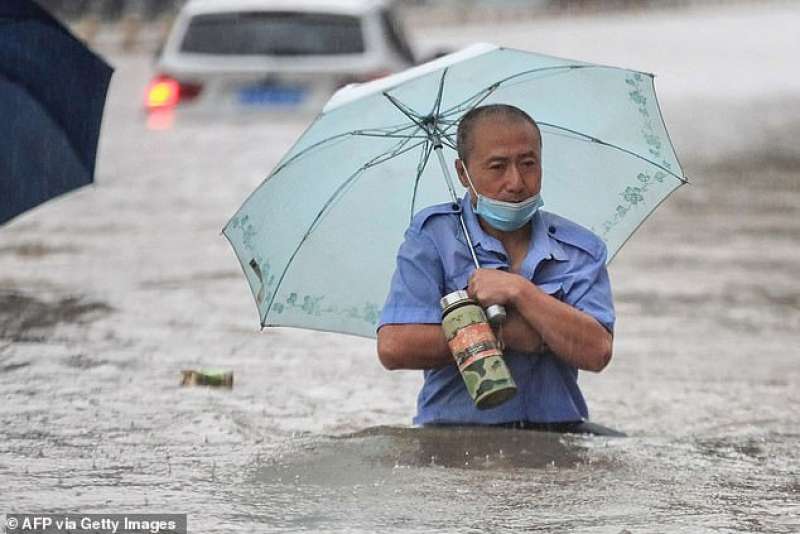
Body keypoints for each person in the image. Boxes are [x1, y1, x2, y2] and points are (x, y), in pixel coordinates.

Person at [376, 104, 618, 434]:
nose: (516, 182)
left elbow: (597, 352)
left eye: (528, 164)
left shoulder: (580, 249)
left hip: (559, 431)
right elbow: (394, 346)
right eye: (497, 166)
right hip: (453, 432)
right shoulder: (433, 238)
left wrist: (520, 291)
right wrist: (508, 333)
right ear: (463, 173)